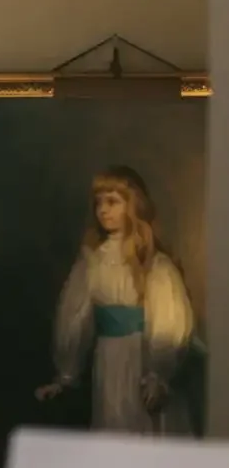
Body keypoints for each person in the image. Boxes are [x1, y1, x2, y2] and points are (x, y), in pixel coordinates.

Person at [35, 164, 198, 435]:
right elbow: (75, 318)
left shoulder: (154, 264)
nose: (103, 210)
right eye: (99, 203)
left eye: (112, 202)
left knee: (145, 429)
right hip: (108, 360)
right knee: (113, 423)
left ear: (132, 205)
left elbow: (169, 323)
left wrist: (158, 373)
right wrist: (66, 374)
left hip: (141, 360)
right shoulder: (93, 262)